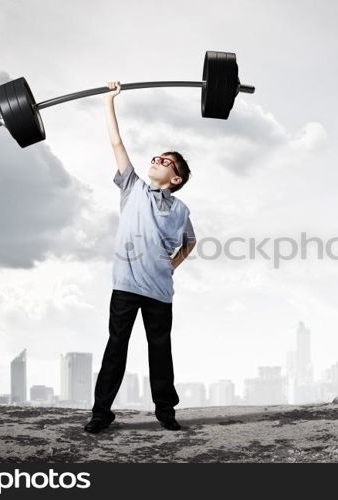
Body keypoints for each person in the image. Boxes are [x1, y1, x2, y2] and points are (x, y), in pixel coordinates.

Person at [85, 81, 196, 433]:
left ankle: (165, 411)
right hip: (126, 286)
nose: (156, 160)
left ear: (175, 178)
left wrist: (171, 266)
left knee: (160, 351)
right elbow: (116, 142)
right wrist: (109, 100)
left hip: (160, 292)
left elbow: (190, 242)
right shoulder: (133, 188)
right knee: (116, 347)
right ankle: (101, 413)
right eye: (156, 157)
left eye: (165, 161)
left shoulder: (181, 208)